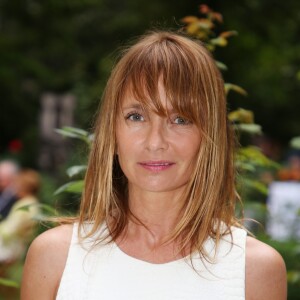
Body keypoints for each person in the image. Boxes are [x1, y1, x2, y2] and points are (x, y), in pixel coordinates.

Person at [21, 31, 287, 300]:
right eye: (136, 116)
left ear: (210, 135)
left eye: (180, 119)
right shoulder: (55, 257)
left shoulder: (254, 270)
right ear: (112, 130)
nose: (155, 141)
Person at [0, 169, 40, 263]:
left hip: (11, 246)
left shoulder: (24, 205)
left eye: (16, 185)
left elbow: (9, 230)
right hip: (20, 246)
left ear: (24, 187)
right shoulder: (34, 202)